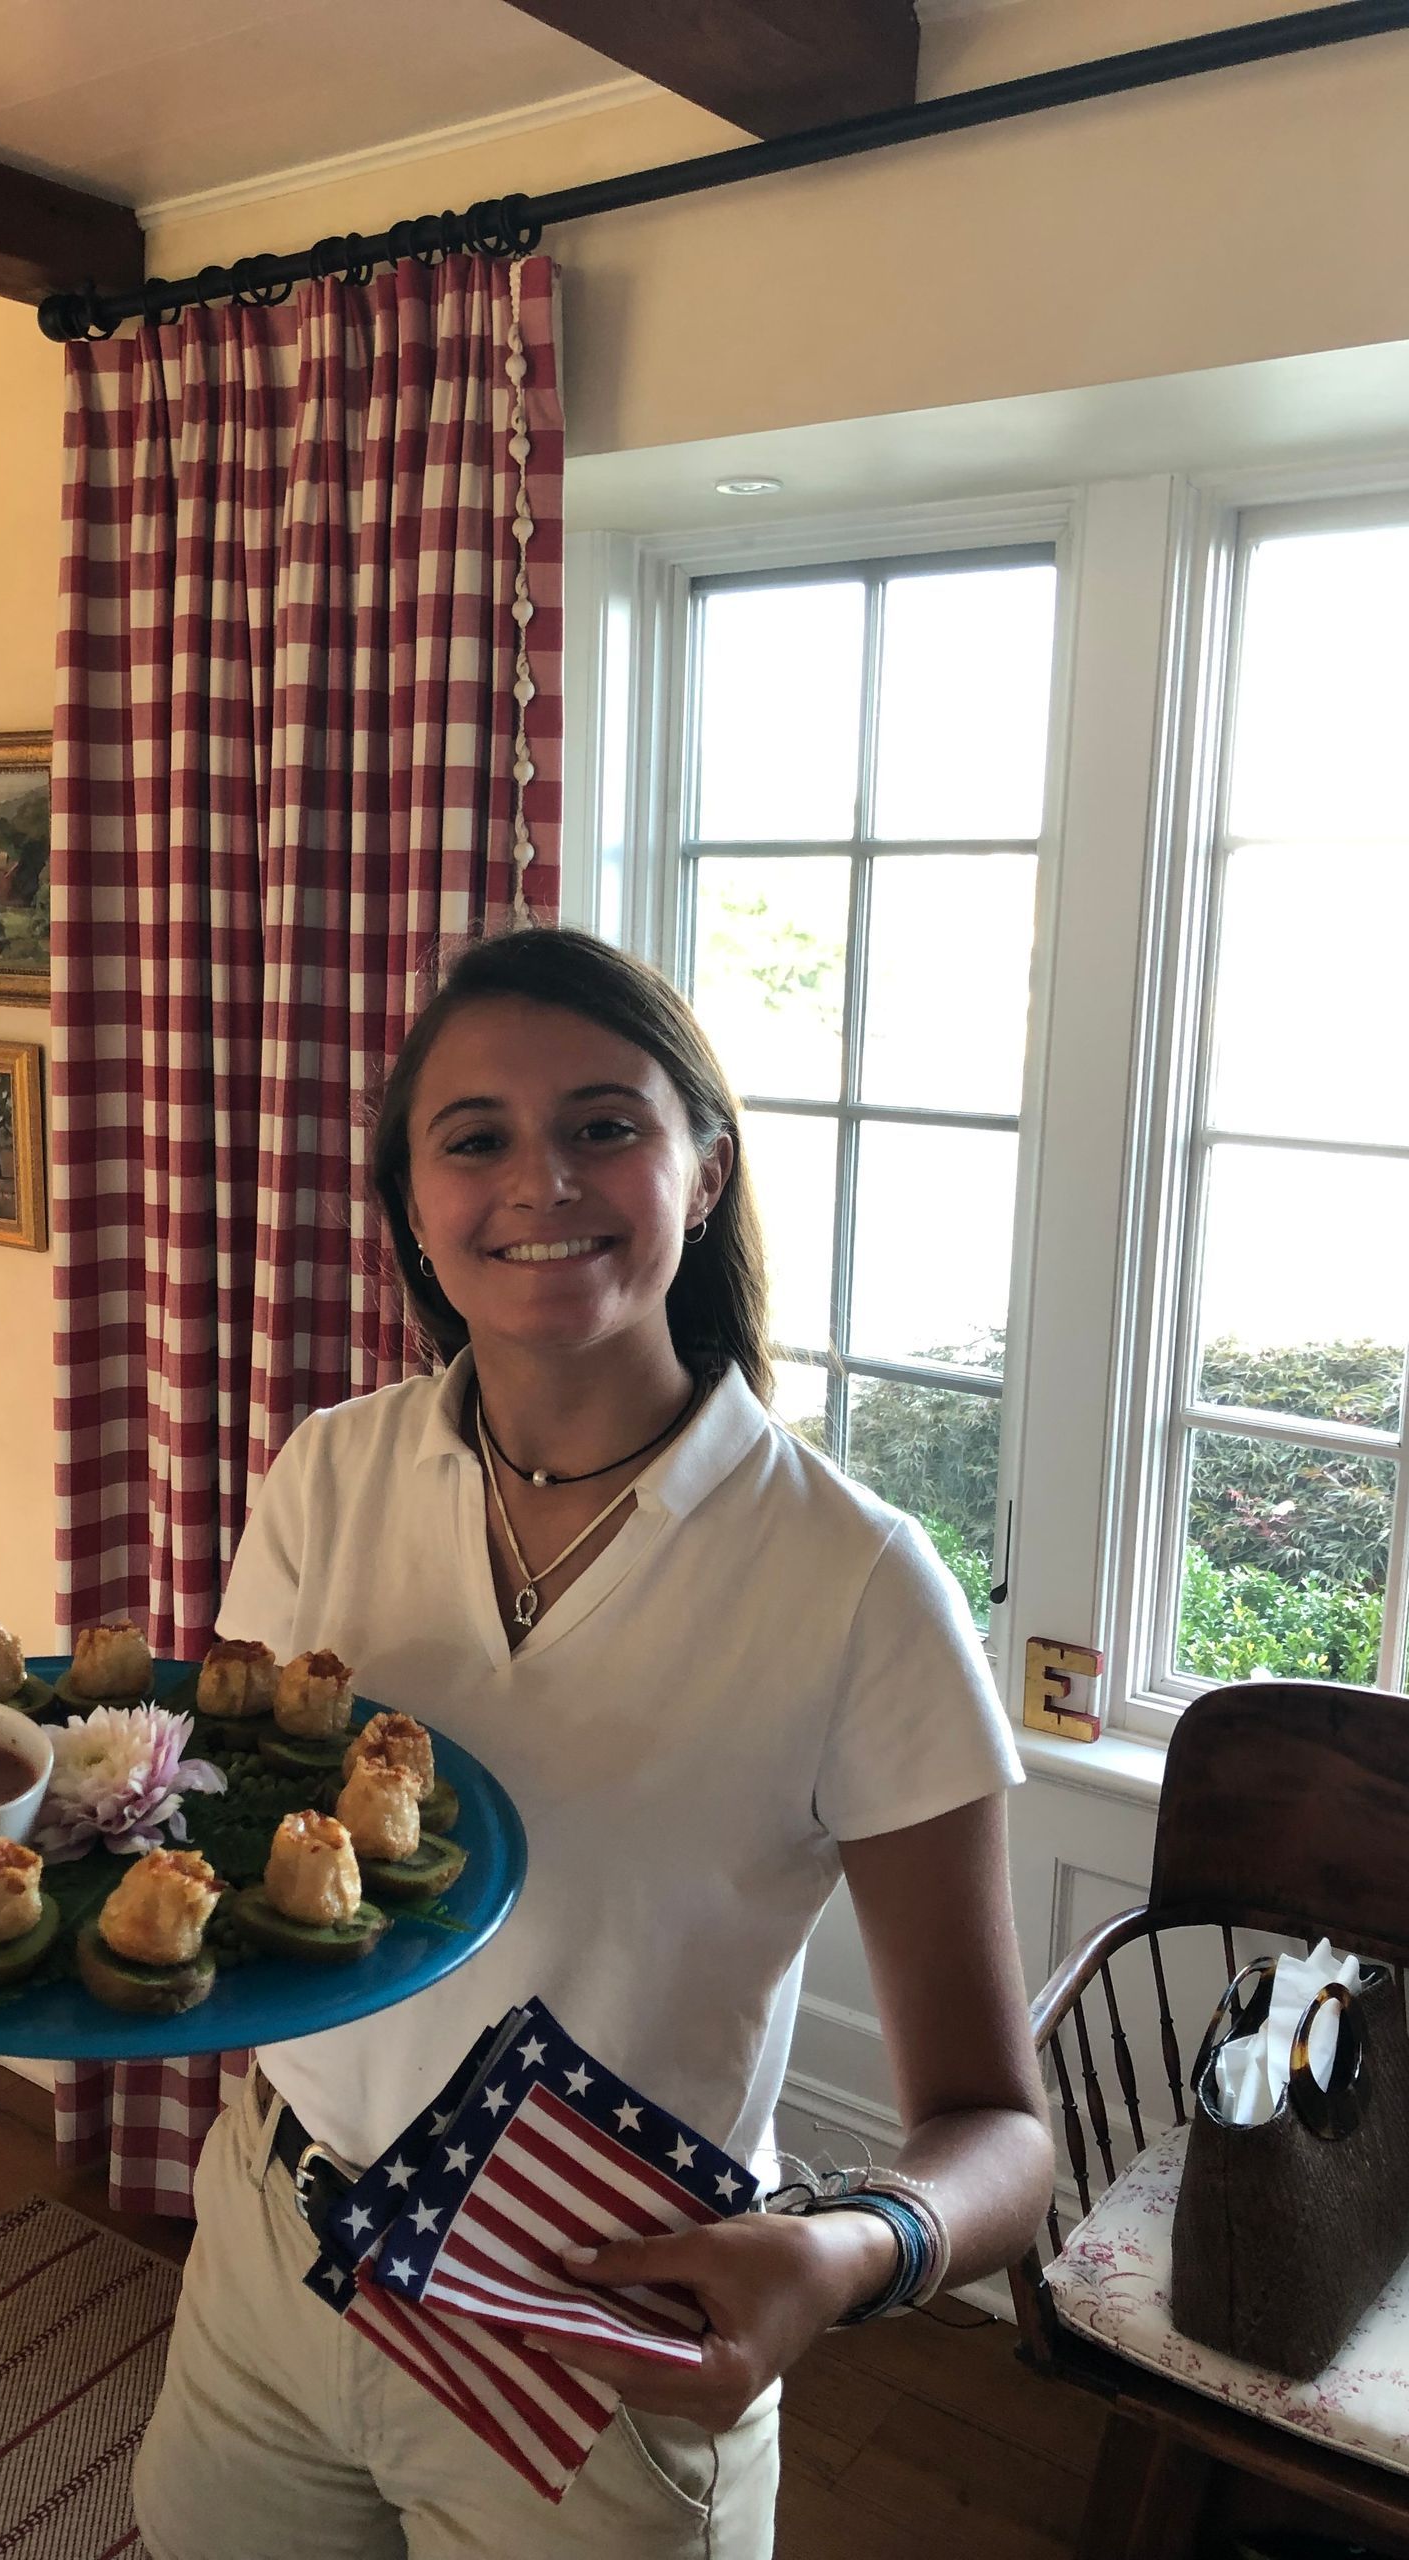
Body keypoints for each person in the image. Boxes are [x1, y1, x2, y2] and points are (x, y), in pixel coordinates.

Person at [133, 926, 1053, 2560]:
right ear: (415, 1203)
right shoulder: (328, 1475)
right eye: (474, 1138)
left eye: (605, 1126)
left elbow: (1003, 2136)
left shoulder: (856, 1583)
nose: (539, 1182)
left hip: (594, 2328)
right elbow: (235, 1842)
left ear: (702, 1171)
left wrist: (843, 2253)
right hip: (274, 2242)